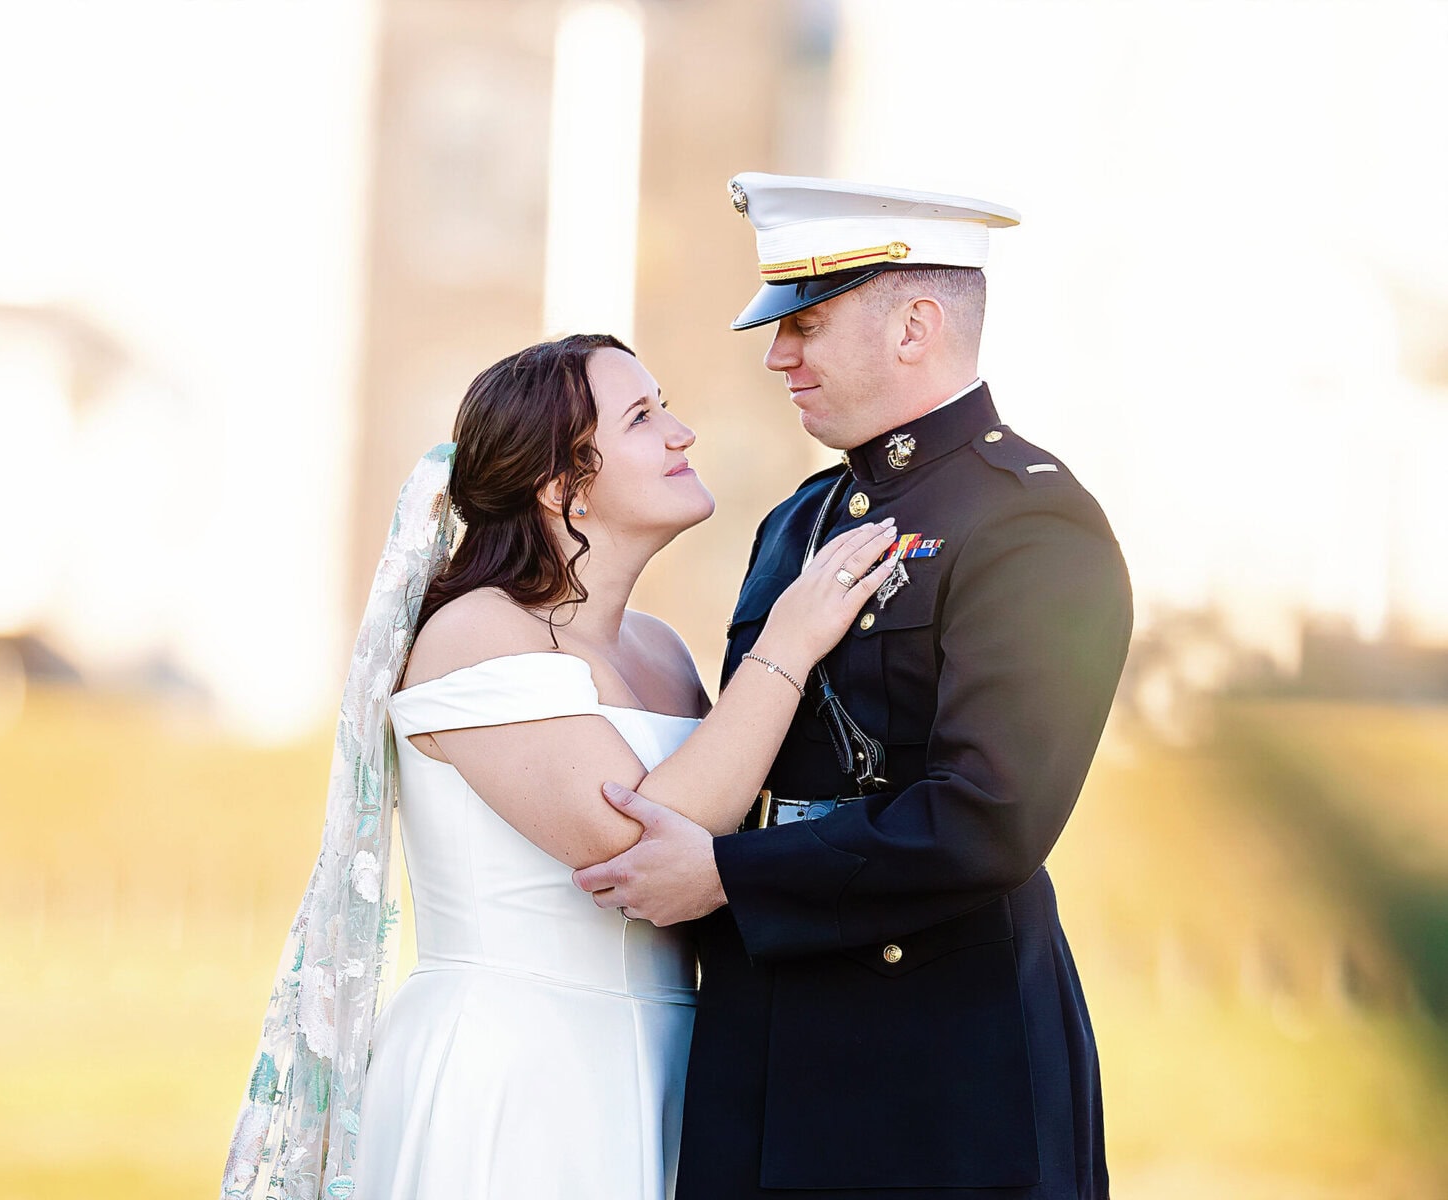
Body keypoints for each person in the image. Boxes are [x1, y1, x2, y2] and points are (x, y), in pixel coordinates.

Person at [220, 332, 900, 1200]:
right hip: (517, 1069)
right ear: (560, 486)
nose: (682, 433)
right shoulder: (474, 633)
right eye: (643, 417)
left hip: (675, 1061)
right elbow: (637, 845)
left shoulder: (658, 649)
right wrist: (789, 645)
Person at [572, 174, 1135, 1199]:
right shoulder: (800, 518)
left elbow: (989, 816)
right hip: (763, 1032)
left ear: (914, 325)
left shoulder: (1029, 525)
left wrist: (730, 878)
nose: (777, 354)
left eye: (808, 324)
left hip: (934, 1059)